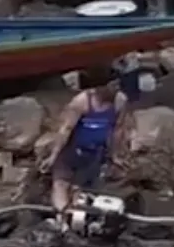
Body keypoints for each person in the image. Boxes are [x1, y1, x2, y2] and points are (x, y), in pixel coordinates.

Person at [43, 70, 128, 219]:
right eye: (112, 86)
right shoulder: (82, 101)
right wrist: (53, 155)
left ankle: (76, 221)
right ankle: (61, 220)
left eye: (117, 85)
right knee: (61, 184)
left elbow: (117, 130)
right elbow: (65, 129)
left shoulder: (120, 101)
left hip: (94, 154)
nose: (115, 89)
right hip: (72, 151)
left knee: (81, 189)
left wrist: (115, 155)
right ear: (101, 87)